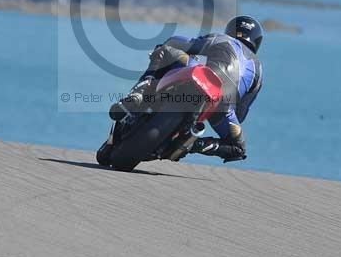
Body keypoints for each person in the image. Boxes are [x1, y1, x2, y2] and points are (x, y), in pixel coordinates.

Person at [109, 15, 263, 163]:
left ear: (230, 30)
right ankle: (193, 144)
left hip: (204, 76)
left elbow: (183, 43)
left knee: (164, 49)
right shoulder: (259, 70)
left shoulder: (223, 39)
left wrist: (173, 44)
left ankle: (138, 95)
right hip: (223, 104)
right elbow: (240, 114)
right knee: (238, 148)